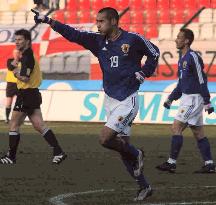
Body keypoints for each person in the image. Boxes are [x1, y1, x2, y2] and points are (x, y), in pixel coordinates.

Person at [32, 7, 160, 201]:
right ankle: (144, 186)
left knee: (105, 139)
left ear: (114, 22)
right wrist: (49, 21)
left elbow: (155, 52)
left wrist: (144, 72)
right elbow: (73, 34)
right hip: (110, 99)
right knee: (121, 147)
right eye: (97, 21)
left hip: (127, 99)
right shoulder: (98, 41)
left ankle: (138, 153)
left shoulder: (133, 39)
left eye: (101, 21)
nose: (97, 25)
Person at [0, 29, 67, 165]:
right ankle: (58, 151)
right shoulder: (25, 55)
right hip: (32, 94)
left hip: (26, 94)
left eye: (20, 39)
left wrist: (13, 71)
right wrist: (14, 64)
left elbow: (24, 78)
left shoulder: (27, 57)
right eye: (16, 39)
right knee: (39, 125)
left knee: (14, 124)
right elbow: (15, 66)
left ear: (27, 41)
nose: (17, 42)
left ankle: (11, 156)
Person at [156, 28, 215, 174]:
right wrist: (171, 98)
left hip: (194, 99)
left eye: (179, 37)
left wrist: (207, 101)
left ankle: (171, 163)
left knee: (176, 127)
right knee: (198, 132)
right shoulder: (182, 59)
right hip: (187, 98)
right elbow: (181, 83)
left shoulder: (193, 56)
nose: (176, 39)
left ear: (187, 41)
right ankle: (209, 164)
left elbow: (202, 79)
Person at [5, 49, 20, 123]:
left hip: (19, 83)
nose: (17, 54)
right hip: (11, 83)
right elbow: (10, 67)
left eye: (18, 53)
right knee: (9, 101)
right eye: (15, 53)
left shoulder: (23, 61)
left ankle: (17, 118)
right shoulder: (10, 60)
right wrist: (16, 59)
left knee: (19, 101)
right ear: (13, 53)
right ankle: (7, 118)